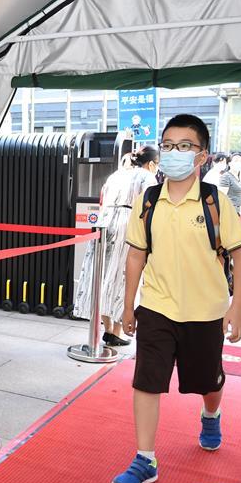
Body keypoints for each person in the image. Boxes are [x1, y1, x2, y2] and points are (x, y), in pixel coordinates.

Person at [111, 114, 241, 483]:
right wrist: (128, 305)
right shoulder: (148, 201)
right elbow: (136, 256)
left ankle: (211, 413)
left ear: (201, 156)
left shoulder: (215, 202)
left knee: (208, 380)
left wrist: (236, 308)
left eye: (184, 146)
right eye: (168, 145)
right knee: (146, 381)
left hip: (206, 312)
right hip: (157, 307)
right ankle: (145, 459)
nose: (174, 152)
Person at [73, 146, 159, 347]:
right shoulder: (146, 177)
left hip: (104, 222)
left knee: (100, 275)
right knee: (123, 276)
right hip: (127, 223)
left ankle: (108, 329)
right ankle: (117, 332)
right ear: (151, 164)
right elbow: (150, 207)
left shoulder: (116, 175)